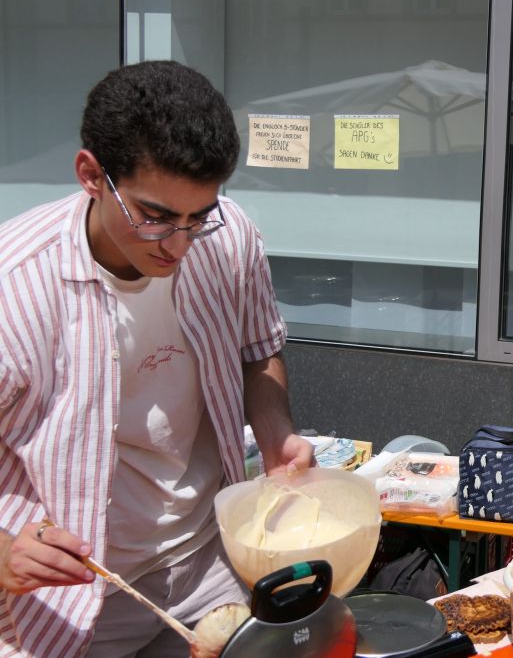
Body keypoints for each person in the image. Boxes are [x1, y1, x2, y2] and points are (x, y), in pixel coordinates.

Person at [0, 60, 314, 657]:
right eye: (155, 217)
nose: (178, 244)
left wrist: (275, 434)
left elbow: (258, 346)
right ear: (91, 175)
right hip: (71, 595)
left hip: (211, 560)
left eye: (198, 216)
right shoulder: (13, 287)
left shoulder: (229, 239)